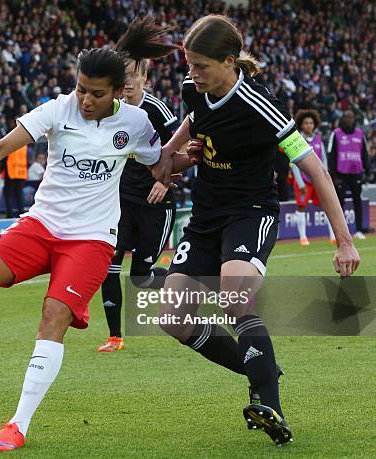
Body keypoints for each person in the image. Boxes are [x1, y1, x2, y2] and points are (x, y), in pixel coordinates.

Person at [0, 17, 177, 452]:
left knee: (53, 317)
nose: (85, 99)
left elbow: (161, 160)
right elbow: (6, 145)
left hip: (92, 239)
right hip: (42, 225)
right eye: (81, 88)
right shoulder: (58, 108)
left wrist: (182, 163)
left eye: (96, 93)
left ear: (118, 92)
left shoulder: (136, 123)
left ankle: (17, 425)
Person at [150, 15, 360, 446]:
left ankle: (271, 405)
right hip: (207, 215)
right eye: (189, 65)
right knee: (172, 317)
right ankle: (258, 365)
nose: (192, 74)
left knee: (234, 296)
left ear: (230, 62)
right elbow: (194, 119)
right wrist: (169, 155)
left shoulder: (260, 105)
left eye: (202, 65)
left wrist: (343, 240)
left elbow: (316, 171)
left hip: (250, 212)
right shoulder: (196, 90)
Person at [98, 23, 181, 352]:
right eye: (124, 75)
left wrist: (165, 179)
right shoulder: (111, 112)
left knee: (141, 278)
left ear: (145, 78)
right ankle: (115, 337)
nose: (129, 81)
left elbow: (182, 150)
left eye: (135, 74)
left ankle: (183, 283)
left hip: (155, 206)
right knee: (110, 267)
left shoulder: (158, 111)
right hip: (120, 205)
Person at [290, 110, 335, 245]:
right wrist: (300, 182)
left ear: (315, 124)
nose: (308, 125)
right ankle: (303, 237)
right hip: (303, 180)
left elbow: (323, 160)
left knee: (327, 205)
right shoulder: (297, 139)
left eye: (311, 123)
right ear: (301, 125)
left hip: (318, 180)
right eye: (306, 123)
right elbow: (294, 162)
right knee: (301, 206)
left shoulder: (319, 139)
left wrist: (325, 178)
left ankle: (333, 236)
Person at [328, 110, 372, 239]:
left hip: (356, 173)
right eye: (347, 117)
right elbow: (331, 154)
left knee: (357, 201)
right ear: (343, 119)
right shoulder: (336, 134)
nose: (349, 120)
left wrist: (367, 170)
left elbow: (364, 153)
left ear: (354, 119)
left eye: (351, 117)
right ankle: (340, 232)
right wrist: (333, 175)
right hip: (341, 174)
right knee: (339, 202)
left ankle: (358, 230)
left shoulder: (360, 134)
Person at [2, 140, 28, 218]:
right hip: (21, 172)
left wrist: (2, 168)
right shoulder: (24, 144)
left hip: (11, 171)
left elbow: (4, 157)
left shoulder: (11, 141)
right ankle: (21, 212)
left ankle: (9, 214)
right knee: (19, 194)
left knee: (8, 194)